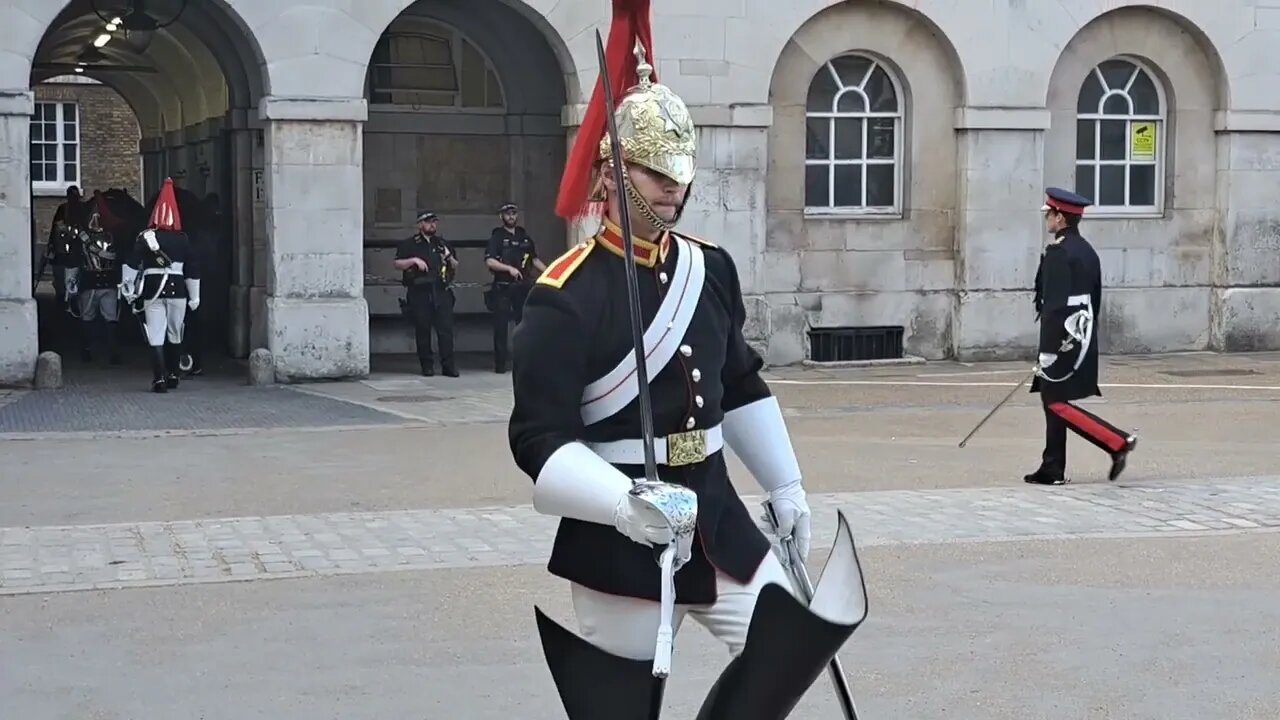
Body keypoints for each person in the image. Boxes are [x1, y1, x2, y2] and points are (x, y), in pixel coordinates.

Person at [507, 1, 852, 712]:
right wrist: (623, 502)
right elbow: (540, 440)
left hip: (719, 517)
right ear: (612, 172)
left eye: (681, 174)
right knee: (622, 705)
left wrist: (784, 485)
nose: (675, 189)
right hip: (623, 535)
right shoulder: (564, 294)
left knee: (792, 647)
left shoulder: (710, 268)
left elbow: (740, 381)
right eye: (656, 173)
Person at [1026, 187, 1138, 485]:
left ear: (1060, 217)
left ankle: (1116, 442)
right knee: (1055, 400)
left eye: (1049, 214)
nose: (1047, 219)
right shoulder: (1085, 249)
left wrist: (1048, 351)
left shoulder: (1059, 252)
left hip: (1063, 339)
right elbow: (1094, 299)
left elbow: (1055, 307)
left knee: (1055, 403)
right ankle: (1052, 467)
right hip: (1081, 335)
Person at [119, 178, 201, 394]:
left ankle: (158, 379)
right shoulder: (183, 239)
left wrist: (127, 288)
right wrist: (195, 296)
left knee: (155, 335)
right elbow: (192, 269)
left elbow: (131, 263)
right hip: (179, 292)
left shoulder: (146, 238)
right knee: (175, 333)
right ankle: (173, 374)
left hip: (153, 291)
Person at [393, 211, 459, 377]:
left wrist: (448, 256)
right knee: (423, 331)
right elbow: (397, 263)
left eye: (434, 222)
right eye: (428, 222)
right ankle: (427, 366)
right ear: (420, 224)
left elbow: (455, 265)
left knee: (446, 331)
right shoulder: (410, 244)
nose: (432, 225)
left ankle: (448, 366)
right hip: (420, 291)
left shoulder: (442, 243)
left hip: (441, 290)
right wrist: (414, 260)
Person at [484, 202, 546, 373]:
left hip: (523, 287)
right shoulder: (497, 237)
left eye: (514, 213)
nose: (511, 216)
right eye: (507, 214)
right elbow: (490, 261)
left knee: (524, 325)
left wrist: (549, 272)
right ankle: (500, 365)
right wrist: (508, 269)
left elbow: (534, 259)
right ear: (501, 216)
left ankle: (523, 362)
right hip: (503, 287)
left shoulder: (524, 237)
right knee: (501, 327)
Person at [64, 195, 124, 364]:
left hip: (89, 283)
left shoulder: (82, 239)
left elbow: (74, 262)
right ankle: (114, 352)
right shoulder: (112, 238)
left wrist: (70, 283)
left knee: (87, 318)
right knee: (111, 319)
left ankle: (86, 350)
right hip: (109, 283)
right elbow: (120, 261)